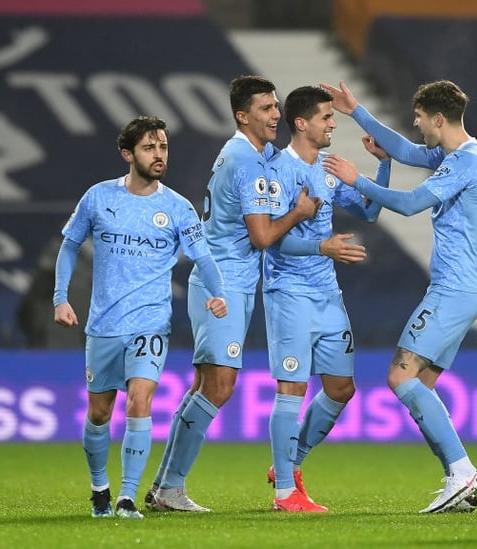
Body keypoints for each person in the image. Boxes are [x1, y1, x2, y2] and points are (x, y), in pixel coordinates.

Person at [146, 75, 320, 512]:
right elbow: (261, 236)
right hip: (221, 283)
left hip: (229, 281)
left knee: (205, 385)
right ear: (243, 116)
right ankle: (169, 488)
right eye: (265, 108)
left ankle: (165, 486)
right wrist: (299, 212)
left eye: (276, 106)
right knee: (219, 386)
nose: (276, 114)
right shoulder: (244, 160)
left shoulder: (255, 155)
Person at [320, 79, 477, 514]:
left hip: (454, 288)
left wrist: (355, 177)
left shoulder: (466, 162)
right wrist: (356, 109)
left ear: (438, 118)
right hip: (462, 287)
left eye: (419, 117)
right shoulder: (455, 154)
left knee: (400, 377)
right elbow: (405, 150)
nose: (414, 124)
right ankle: (459, 480)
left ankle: (462, 472)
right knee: (422, 385)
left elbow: (412, 203)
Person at [53, 116, 229, 520]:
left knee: (140, 401)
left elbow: (204, 258)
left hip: (151, 324)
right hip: (103, 325)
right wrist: (61, 299)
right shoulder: (98, 198)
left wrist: (219, 295)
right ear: (128, 154)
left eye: (163, 146)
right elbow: (69, 246)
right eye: (150, 148)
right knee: (100, 413)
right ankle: (100, 488)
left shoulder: (177, 207)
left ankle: (128, 497)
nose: (159, 155)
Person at [262, 85, 391, 512]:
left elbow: (370, 211)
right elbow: (271, 241)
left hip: (326, 294)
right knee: (292, 388)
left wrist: (383, 165)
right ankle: (285, 492)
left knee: (341, 388)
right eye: (326, 117)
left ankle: (289, 462)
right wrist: (323, 248)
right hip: (289, 293)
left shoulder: (329, 170)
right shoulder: (276, 170)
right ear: (301, 123)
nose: (333, 123)